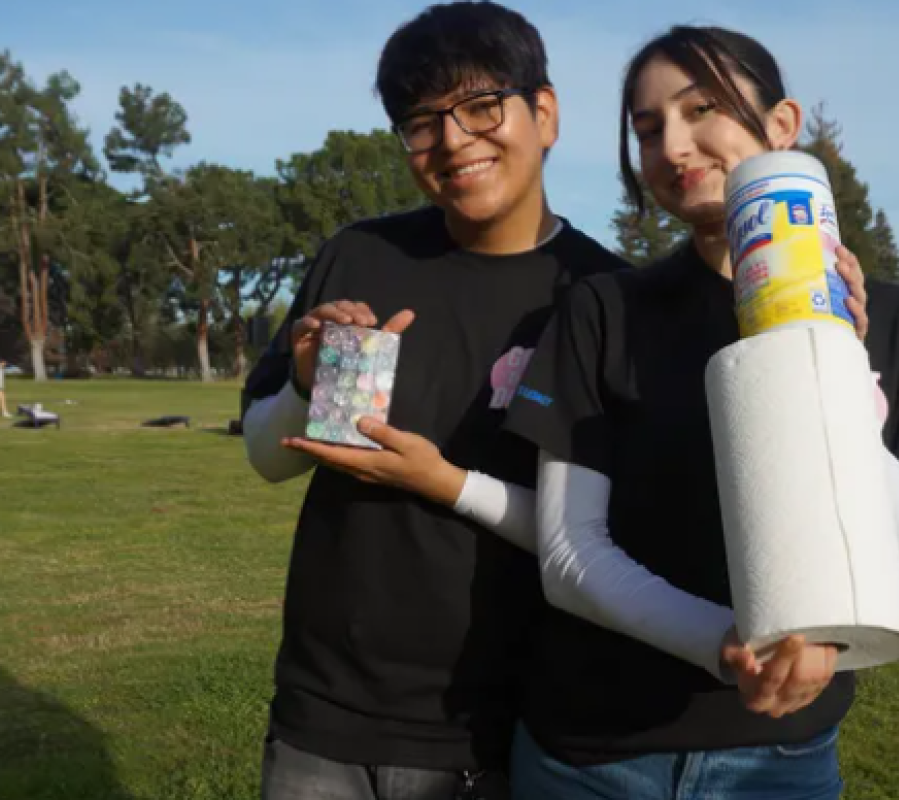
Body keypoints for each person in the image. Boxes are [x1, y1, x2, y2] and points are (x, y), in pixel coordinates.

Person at [496, 25, 899, 799]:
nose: (674, 146)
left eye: (702, 108)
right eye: (648, 130)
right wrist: (729, 644)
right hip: (586, 757)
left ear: (782, 124)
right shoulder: (604, 311)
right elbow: (569, 555)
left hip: (778, 767)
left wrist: (824, 364)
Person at [240, 3, 629, 798]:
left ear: (545, 113)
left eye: (481, 106)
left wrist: (438, 479)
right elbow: (267, 459)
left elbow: (602, 534)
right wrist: (306, 385)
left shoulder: (605, 295)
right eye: (422, 123)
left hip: (502, 724)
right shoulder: (361, 256)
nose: (452, 141)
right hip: (325, 710)